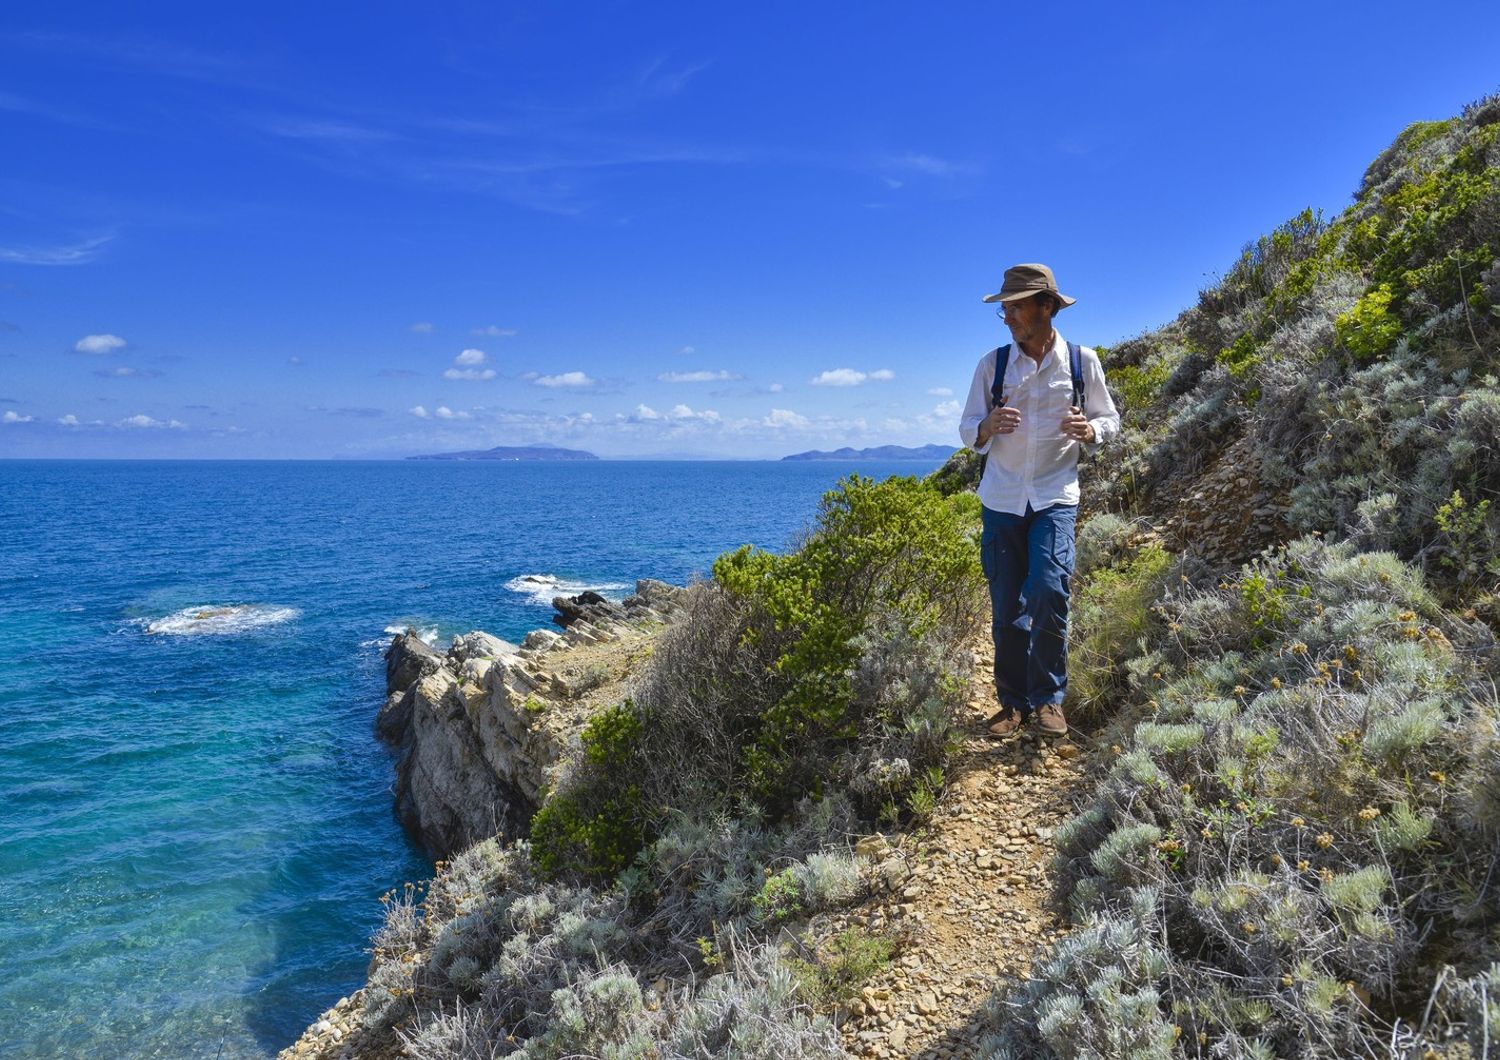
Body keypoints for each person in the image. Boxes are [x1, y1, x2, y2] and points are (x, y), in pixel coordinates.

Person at [959, 263, 1119, 737]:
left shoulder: (1081, 362)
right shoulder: (993, 365)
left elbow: (1109, 419)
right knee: (1006, 604)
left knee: (1050, 591)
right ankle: (1013, 704)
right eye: (1004, 308)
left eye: (1015, 306)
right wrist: (987, 427)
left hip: (1055, 496)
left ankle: (1048, 700)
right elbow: (968, 428)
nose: (1007, 316)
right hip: (1002, 498)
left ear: (1046, 306)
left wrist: (1091, 430)